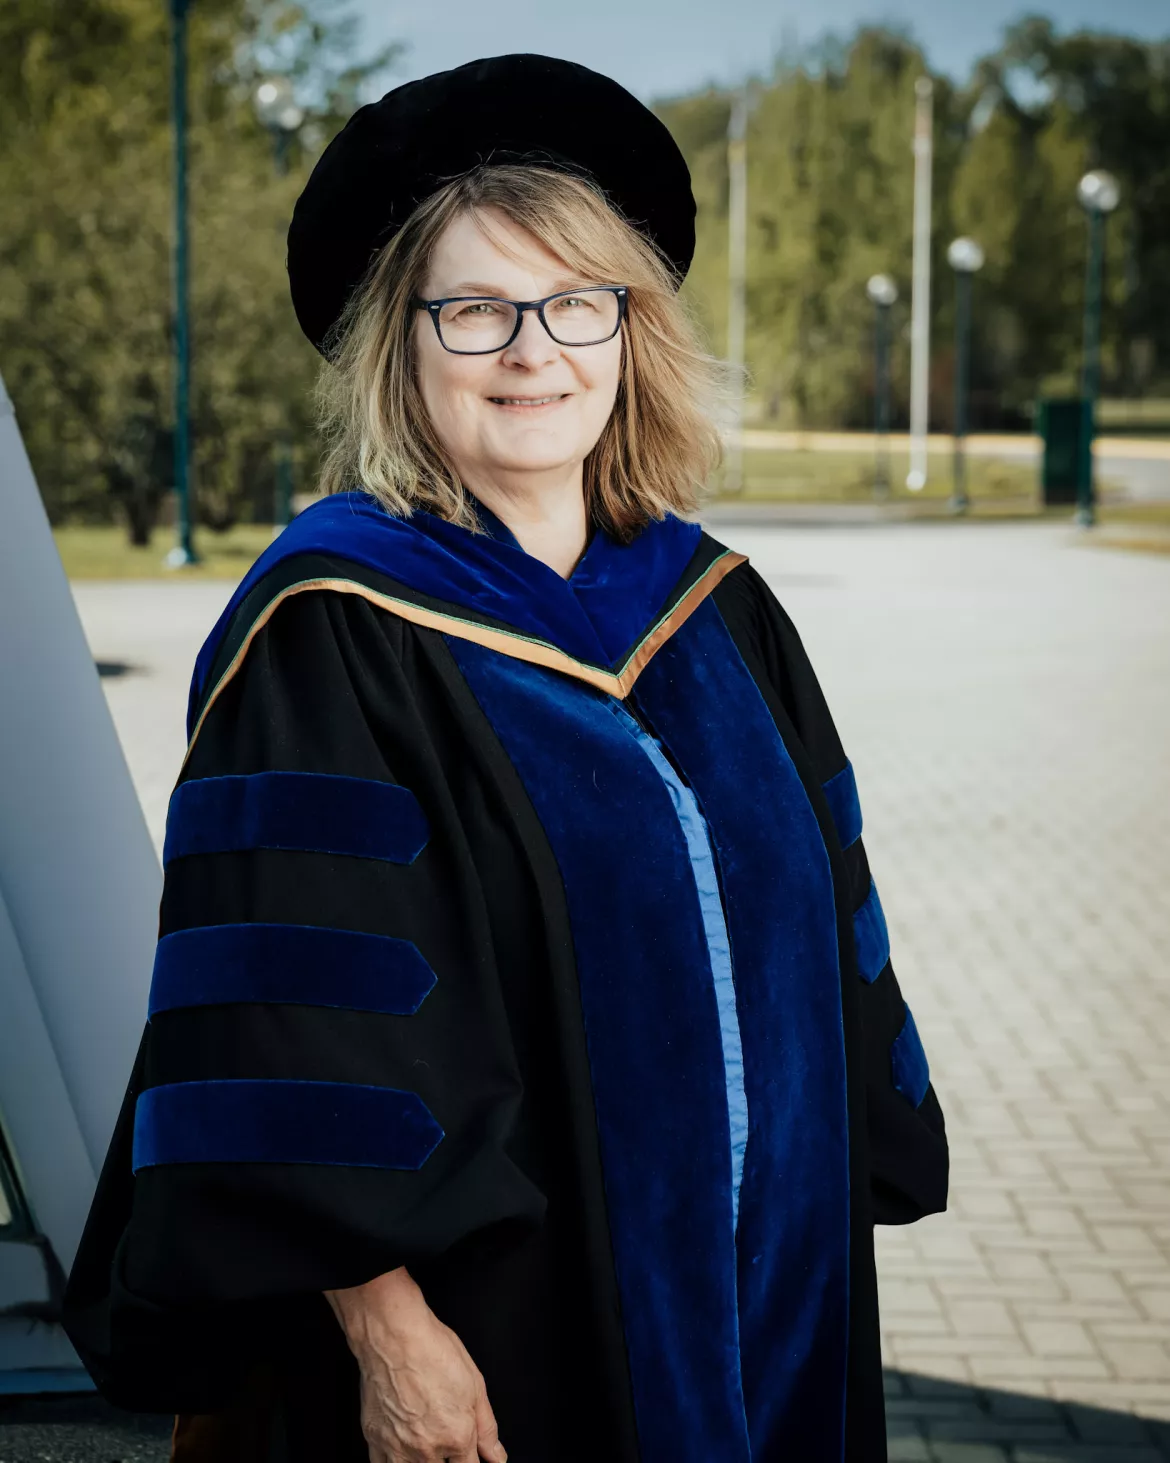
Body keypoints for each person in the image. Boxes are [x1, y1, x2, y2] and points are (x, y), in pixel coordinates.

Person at [63, 53, 948, 1463]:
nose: (533, 350)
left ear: (627, 333)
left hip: (766, 1298)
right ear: (401, 350)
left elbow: (823, 937)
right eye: (474, 310)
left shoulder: (716, 609)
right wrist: (392, 1337)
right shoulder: (335, 625)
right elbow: (287, 1030)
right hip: (492, 1343)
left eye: (572, 304)